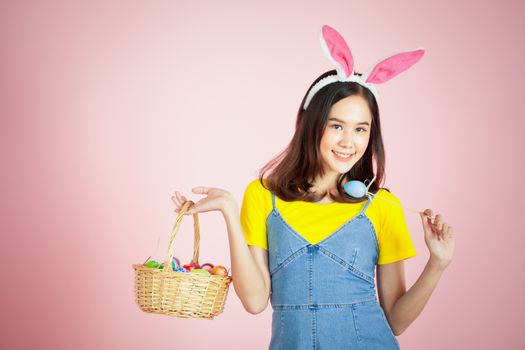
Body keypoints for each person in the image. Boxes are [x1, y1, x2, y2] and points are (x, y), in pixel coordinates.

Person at [172, 25, 455, 350]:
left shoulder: (382, 206)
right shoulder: (263, 196)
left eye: (361, 129)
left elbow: (396, 320)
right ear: (312, 125)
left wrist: (438, 263)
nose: (349, 142)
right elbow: (254, 301)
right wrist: (228, 211)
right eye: (336, 126)